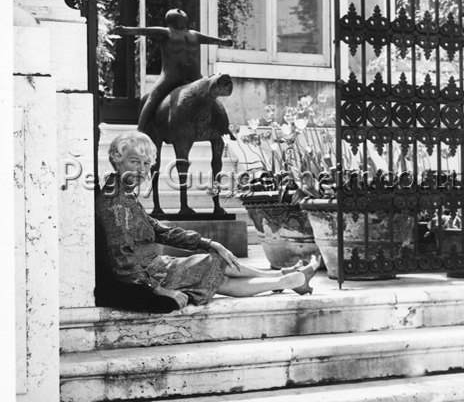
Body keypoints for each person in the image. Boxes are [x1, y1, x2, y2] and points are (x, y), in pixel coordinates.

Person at [95, 131, 320, 313]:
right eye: (134, 161)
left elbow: (159, 230)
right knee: (214, 265)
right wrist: (159, 290)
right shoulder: (116, 201)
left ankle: (286, 279)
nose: (142, 170)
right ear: (117, 159)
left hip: (154, 267)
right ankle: (286, 278)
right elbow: (123, 258)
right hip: (146, 274)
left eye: (146, 163)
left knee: (217, 273)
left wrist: (208, 243)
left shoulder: (125, 194)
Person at [114, 8, 234, 133]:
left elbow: (210, 39)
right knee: (154, 97)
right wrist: (126, 30)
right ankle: (140, 130)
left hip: (194, 75)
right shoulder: (167, 32)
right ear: (171, 20)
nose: (180, 10)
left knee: (211, 94)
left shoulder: (194, 34)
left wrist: (223, 42)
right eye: (177, 12)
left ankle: (224, 127)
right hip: (171, 76)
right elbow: (145, 31)